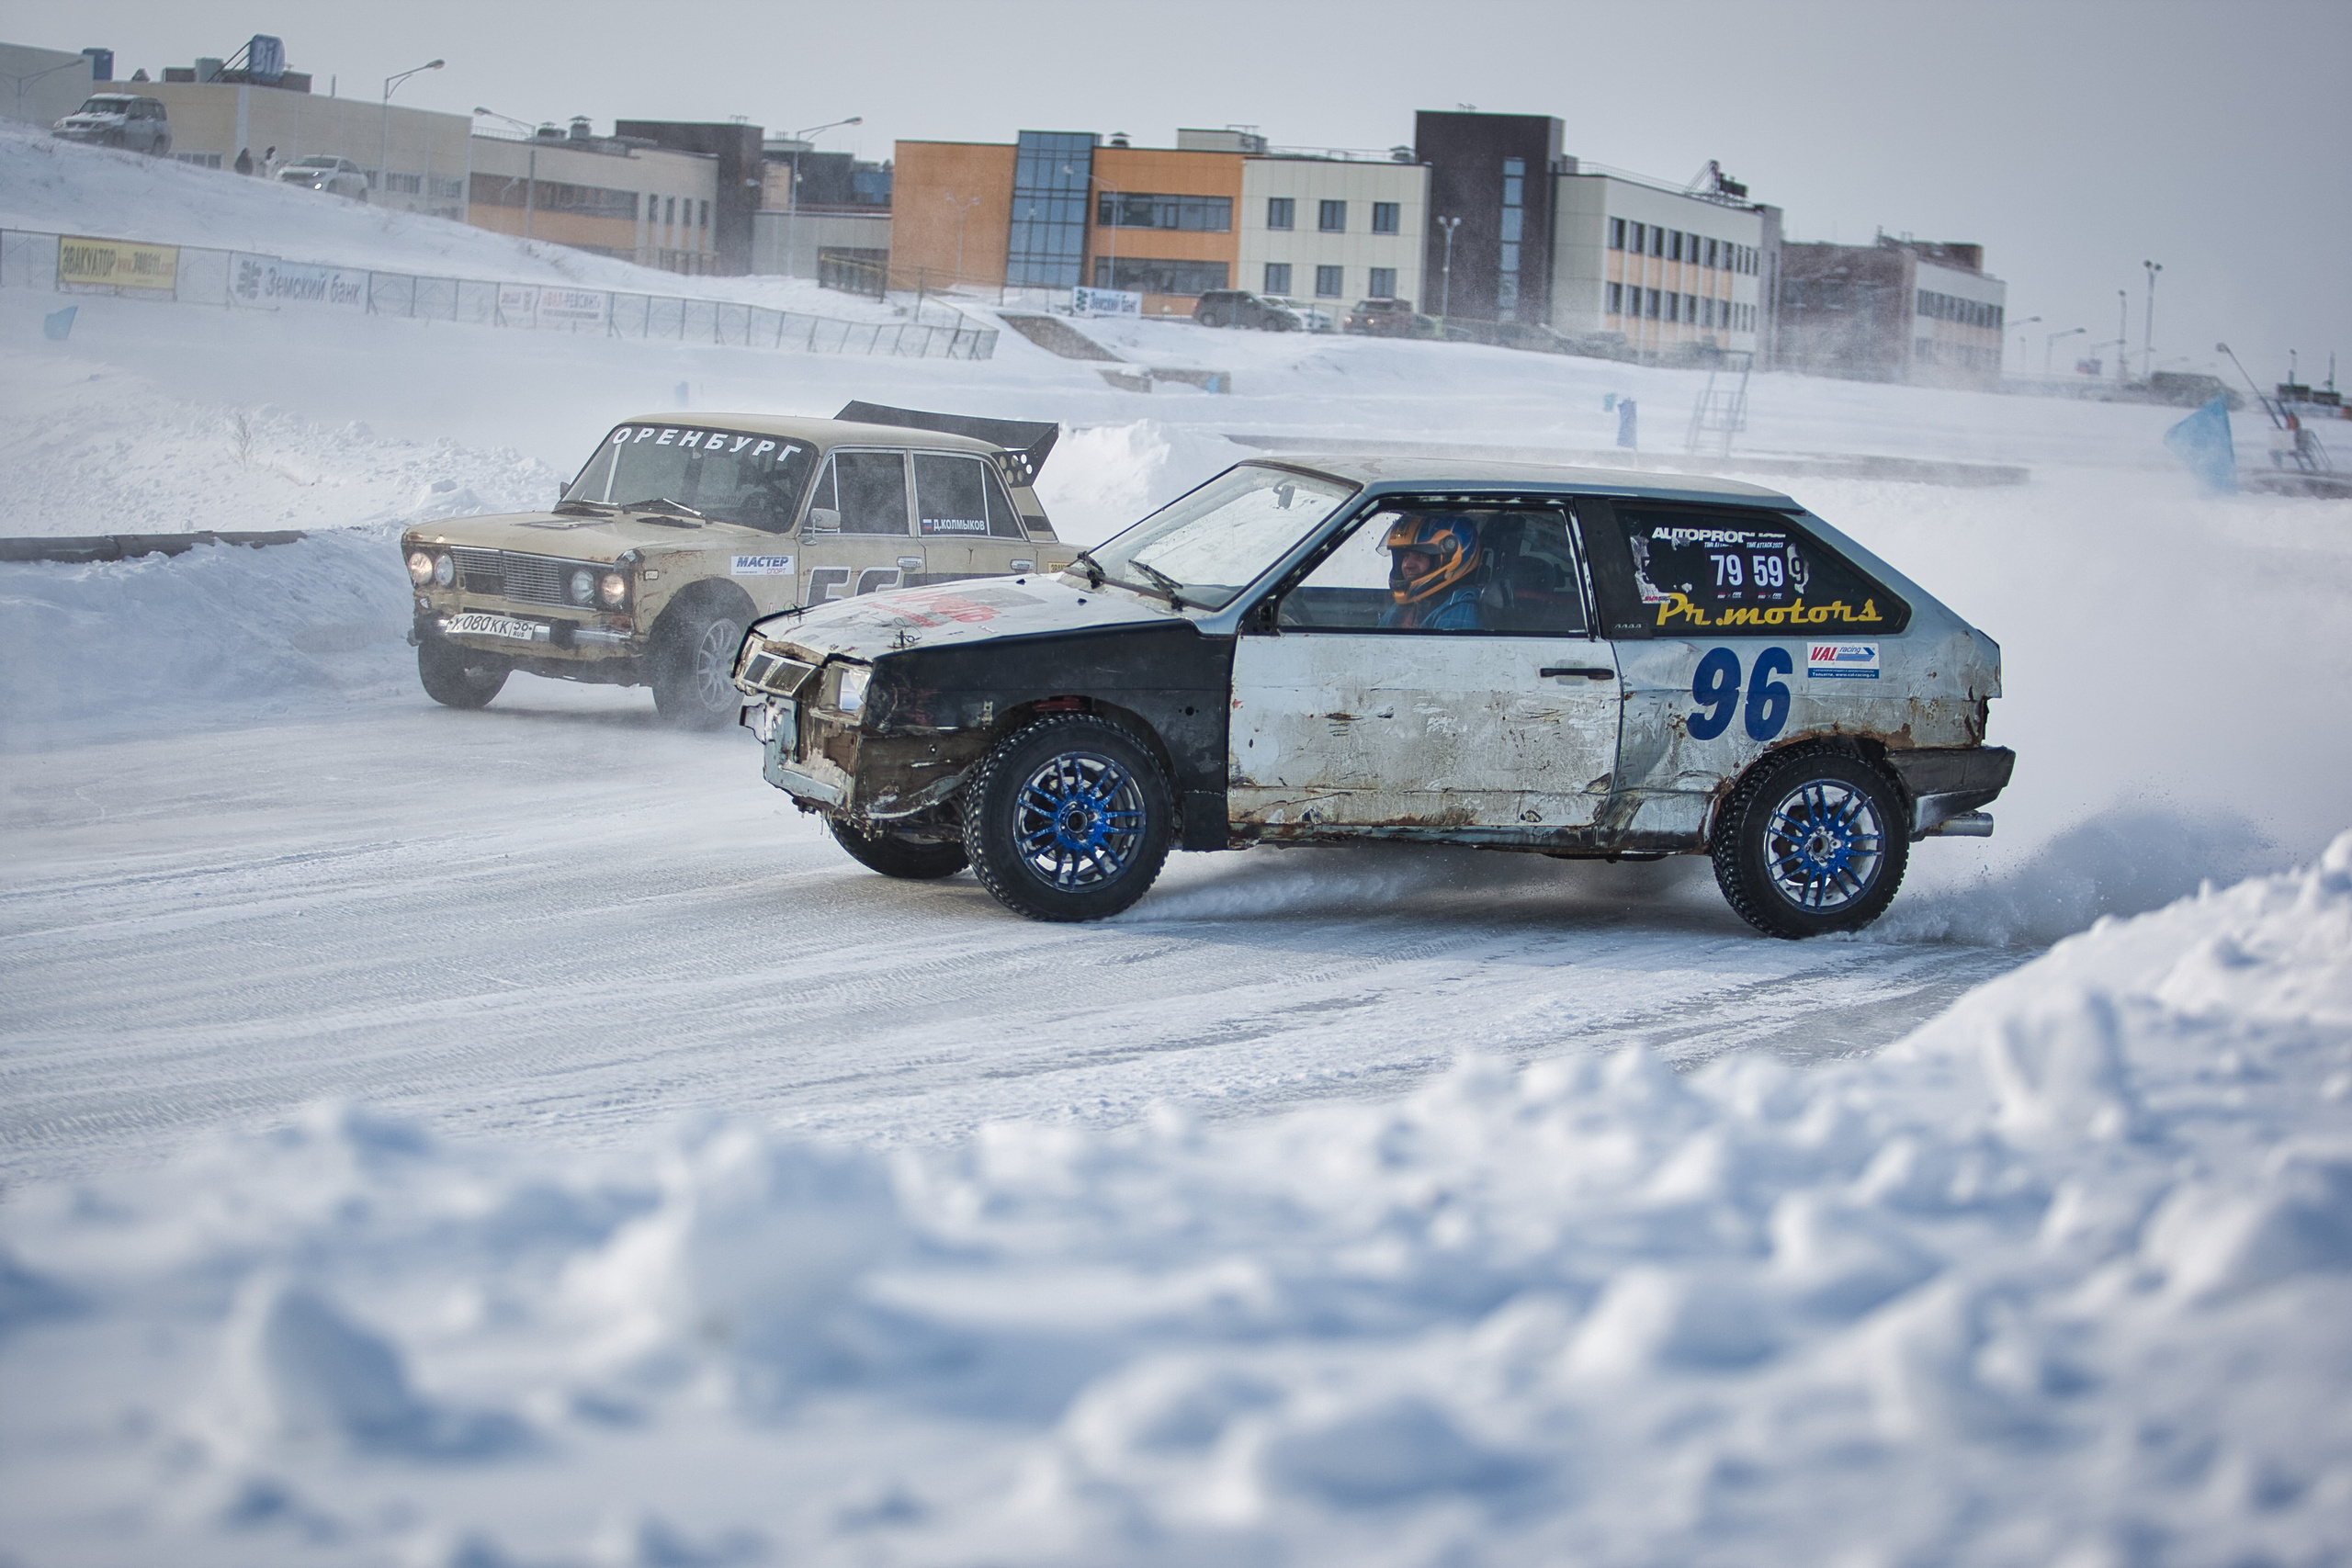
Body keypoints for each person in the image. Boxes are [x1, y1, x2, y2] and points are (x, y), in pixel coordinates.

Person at [1380, 513, 1484, 630]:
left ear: (1448, 559)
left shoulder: (1458, 613)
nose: (1407, 565)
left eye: (1420, 555)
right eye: (1405, 556)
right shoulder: (1409, 603)